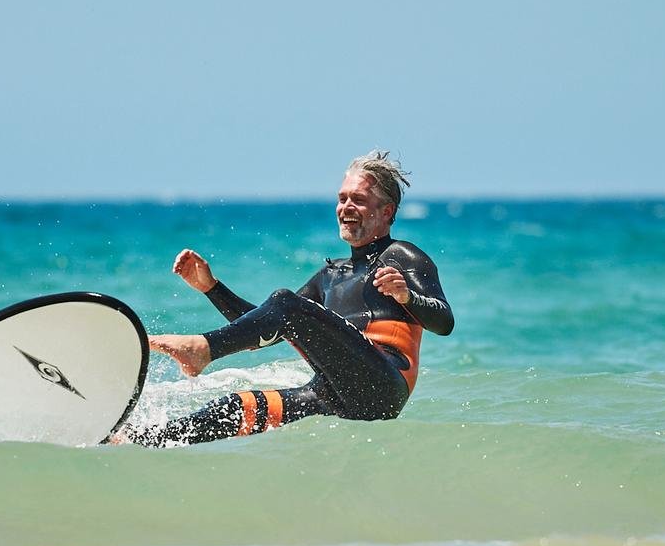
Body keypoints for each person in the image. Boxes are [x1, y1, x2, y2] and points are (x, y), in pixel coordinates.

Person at [130, 150, 455, 445]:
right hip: (333, 391)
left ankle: (203, 349)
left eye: (358, 199)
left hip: (381, 385)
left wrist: (406, 296)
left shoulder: (402, 256)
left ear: (386, 212)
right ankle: (144, 441)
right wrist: (212, 288)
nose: (346, 207)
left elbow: (444, 322)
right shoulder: (330, 276)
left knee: (285, 303)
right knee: (236, 408)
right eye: (342, 198)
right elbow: (264, 326)